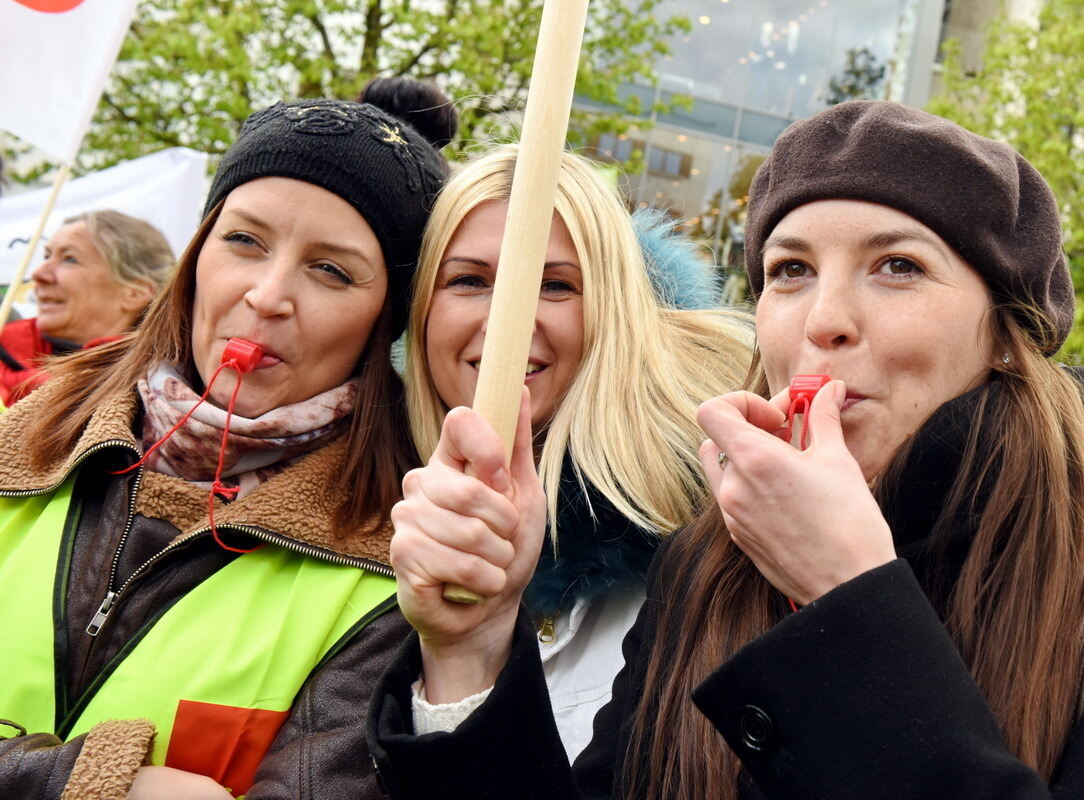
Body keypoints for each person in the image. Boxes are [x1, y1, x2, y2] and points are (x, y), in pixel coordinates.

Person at [367, 101, 1084, 799]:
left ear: (1006, 331)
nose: (824, 320)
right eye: (790, 271)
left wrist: (846, 594)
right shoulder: (706, 564)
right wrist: (473, 643)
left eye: (898, 266)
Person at [0, 88, 447, 800]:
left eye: (331, 270)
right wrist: (95, 784)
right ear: (197, 254)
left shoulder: (398, 562)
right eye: (244, 241)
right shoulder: (19, 449)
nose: (268, 295)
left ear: (384, 320)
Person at [397, 144, 753, 758]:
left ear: (613, 313)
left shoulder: (710, 538)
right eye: (469, 280)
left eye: (555, 285)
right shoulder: (365, 519)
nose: (507, 320)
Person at [0, 209, 174, 405]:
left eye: (69, 259)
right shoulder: (5, 352)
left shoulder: (162, 397)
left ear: (135, 293)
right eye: (47, 256)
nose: (39, 273)